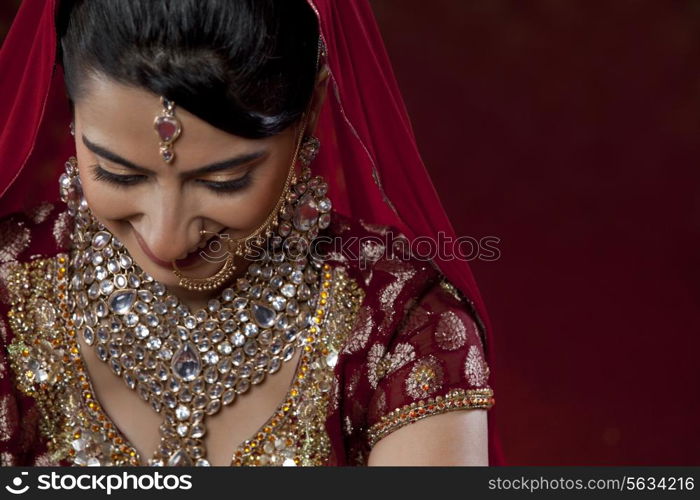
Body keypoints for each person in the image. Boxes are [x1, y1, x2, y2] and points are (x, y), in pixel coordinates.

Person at [0, 0, 501, 466]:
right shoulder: (8, 289)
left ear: (310, 112)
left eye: (225, 181)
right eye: (119, 174)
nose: (168, 239)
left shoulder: (400, 326)